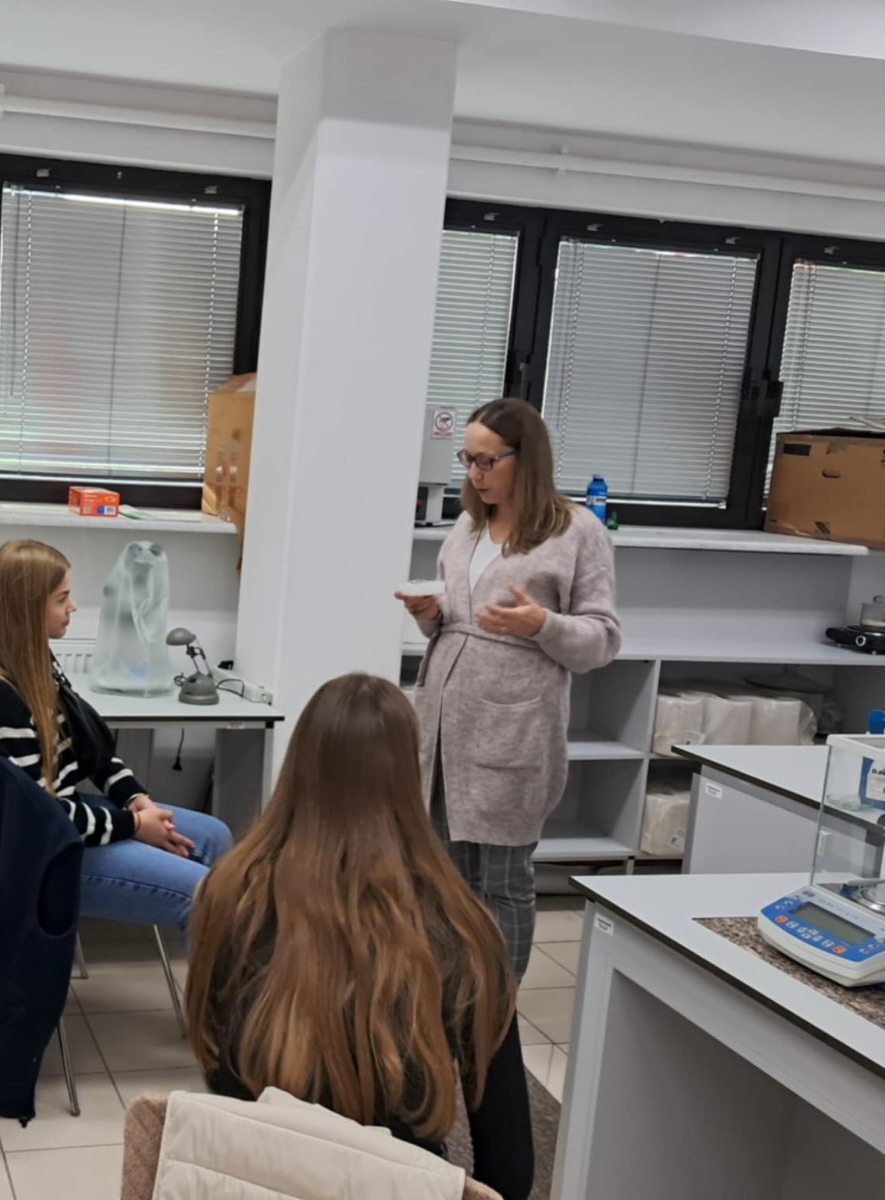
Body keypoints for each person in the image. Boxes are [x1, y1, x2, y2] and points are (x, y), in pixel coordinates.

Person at [186, 674, 533, 1200]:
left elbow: (216, 1062)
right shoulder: (464, 931)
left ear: (299, 763)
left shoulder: (229, 893)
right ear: (408, 776)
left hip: (256, 1176)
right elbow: (509, 1166)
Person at [397, 398, 621, 977]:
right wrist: (429, 614)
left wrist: (542, 624)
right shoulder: (468, 525)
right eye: (467, 459)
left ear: (528, 458)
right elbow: (452, 619)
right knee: (444, 879)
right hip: (444, 730)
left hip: (513, 731)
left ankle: (496, 1008)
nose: (475, 473)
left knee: (501, 881)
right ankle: (451, 999)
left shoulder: (577, 532)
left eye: (487, 461)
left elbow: (601, 641)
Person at [0, 539, 232, 934]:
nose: (73, 607)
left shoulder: (36, 663)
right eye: (62, 598)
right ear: (28, 607)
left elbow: (91, 750)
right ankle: (220, 971)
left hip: (62, 819)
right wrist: (134, 824)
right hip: (35, 849)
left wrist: (135, 799)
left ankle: (219, 967)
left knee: (215, 836)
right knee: (204, 895)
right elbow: (43, 815)